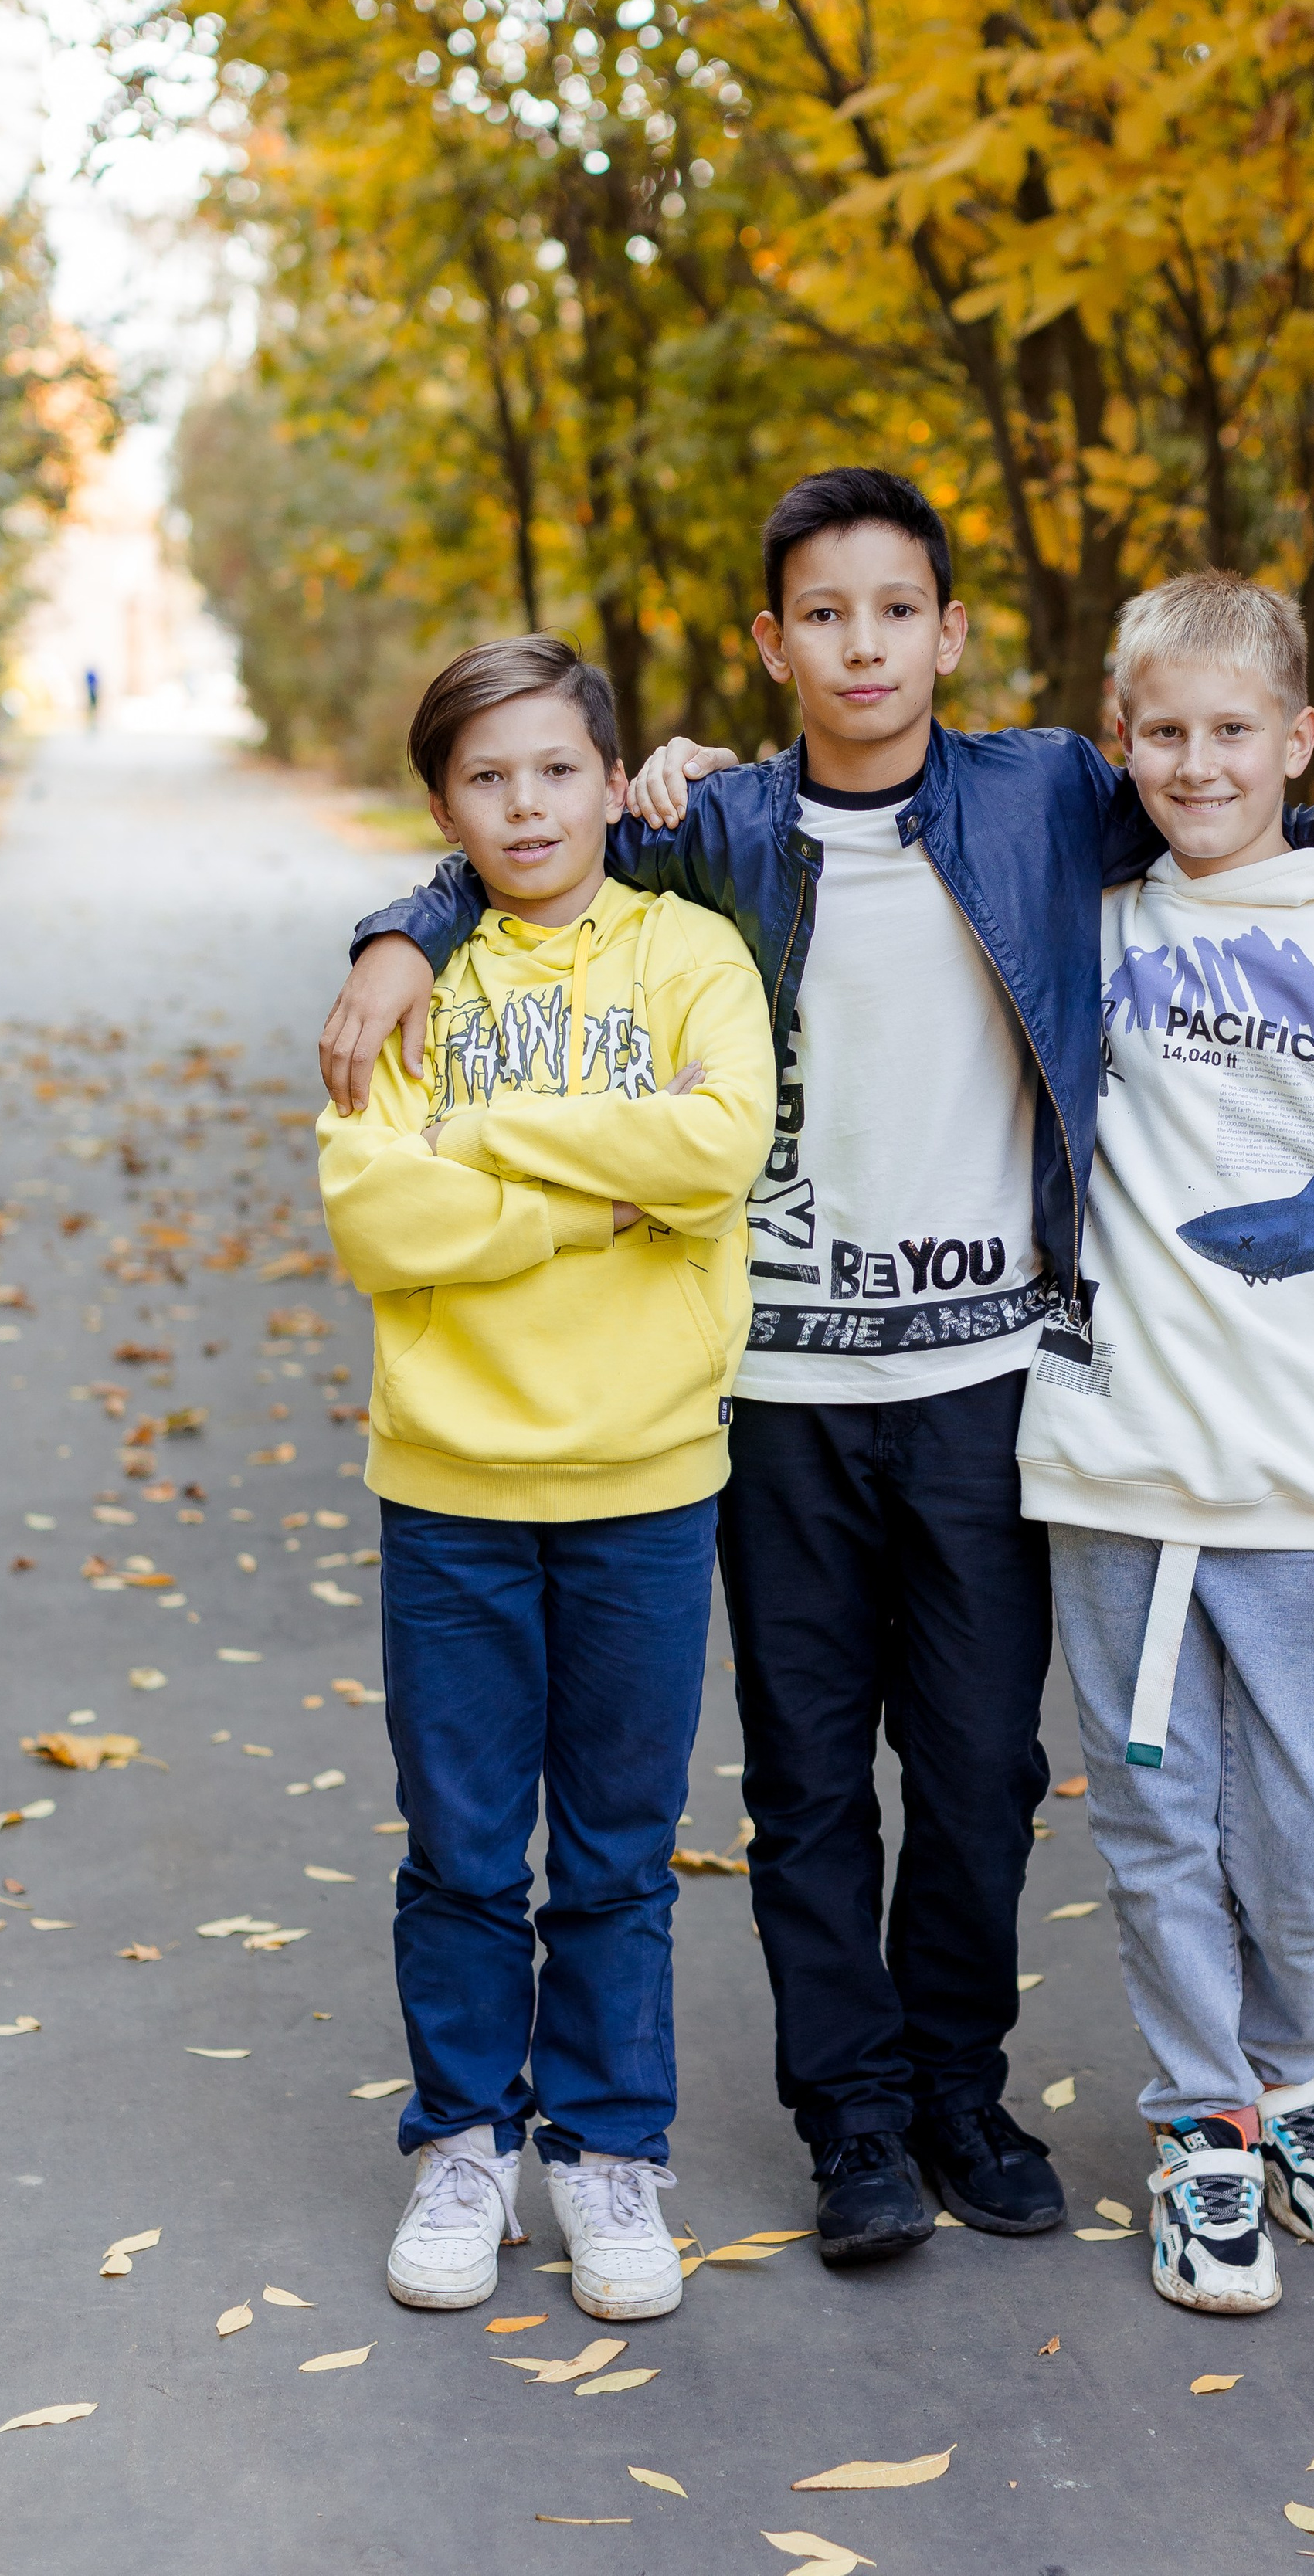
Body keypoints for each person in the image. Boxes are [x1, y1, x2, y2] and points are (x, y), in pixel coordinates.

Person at [317, 470, 1314, 2269]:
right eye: (821, 615)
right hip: (775, 1397)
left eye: (894, 609)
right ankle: (849, 2117)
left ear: (948, 630)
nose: (861, 643)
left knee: (979, 1770)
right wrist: (402, 933)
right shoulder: (710, 827)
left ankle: (957, 2087)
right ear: (773, 644)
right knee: (805, 1783)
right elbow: (518, 845)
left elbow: (1219, 788)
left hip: (986, 1387)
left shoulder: (1039, 794)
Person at [1016, 570, 1314, 2319]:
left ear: (1296, 739)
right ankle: (1200, 2122)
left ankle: (1296, 2077)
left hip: (1307, 1499)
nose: (1197, 763)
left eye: (1234, 732)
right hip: (1113, 1477)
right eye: (1163, 733)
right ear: (1117, 743)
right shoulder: (1088, 912)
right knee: (1154, 1827)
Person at [315, 634, 774, 2323]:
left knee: (616, 1850)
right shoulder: (406, 983)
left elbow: (719, 1146)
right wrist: (599, 1193)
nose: (524, 804)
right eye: (485, 778)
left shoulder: (694, 956)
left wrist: (485, 1143)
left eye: (555, 770)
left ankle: (604, 2154)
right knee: (456, 1845)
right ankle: (462, 2141)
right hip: (449, 1486)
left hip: (648, 1480)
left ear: (608, 782)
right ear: (443, 806)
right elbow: (378, 1215)